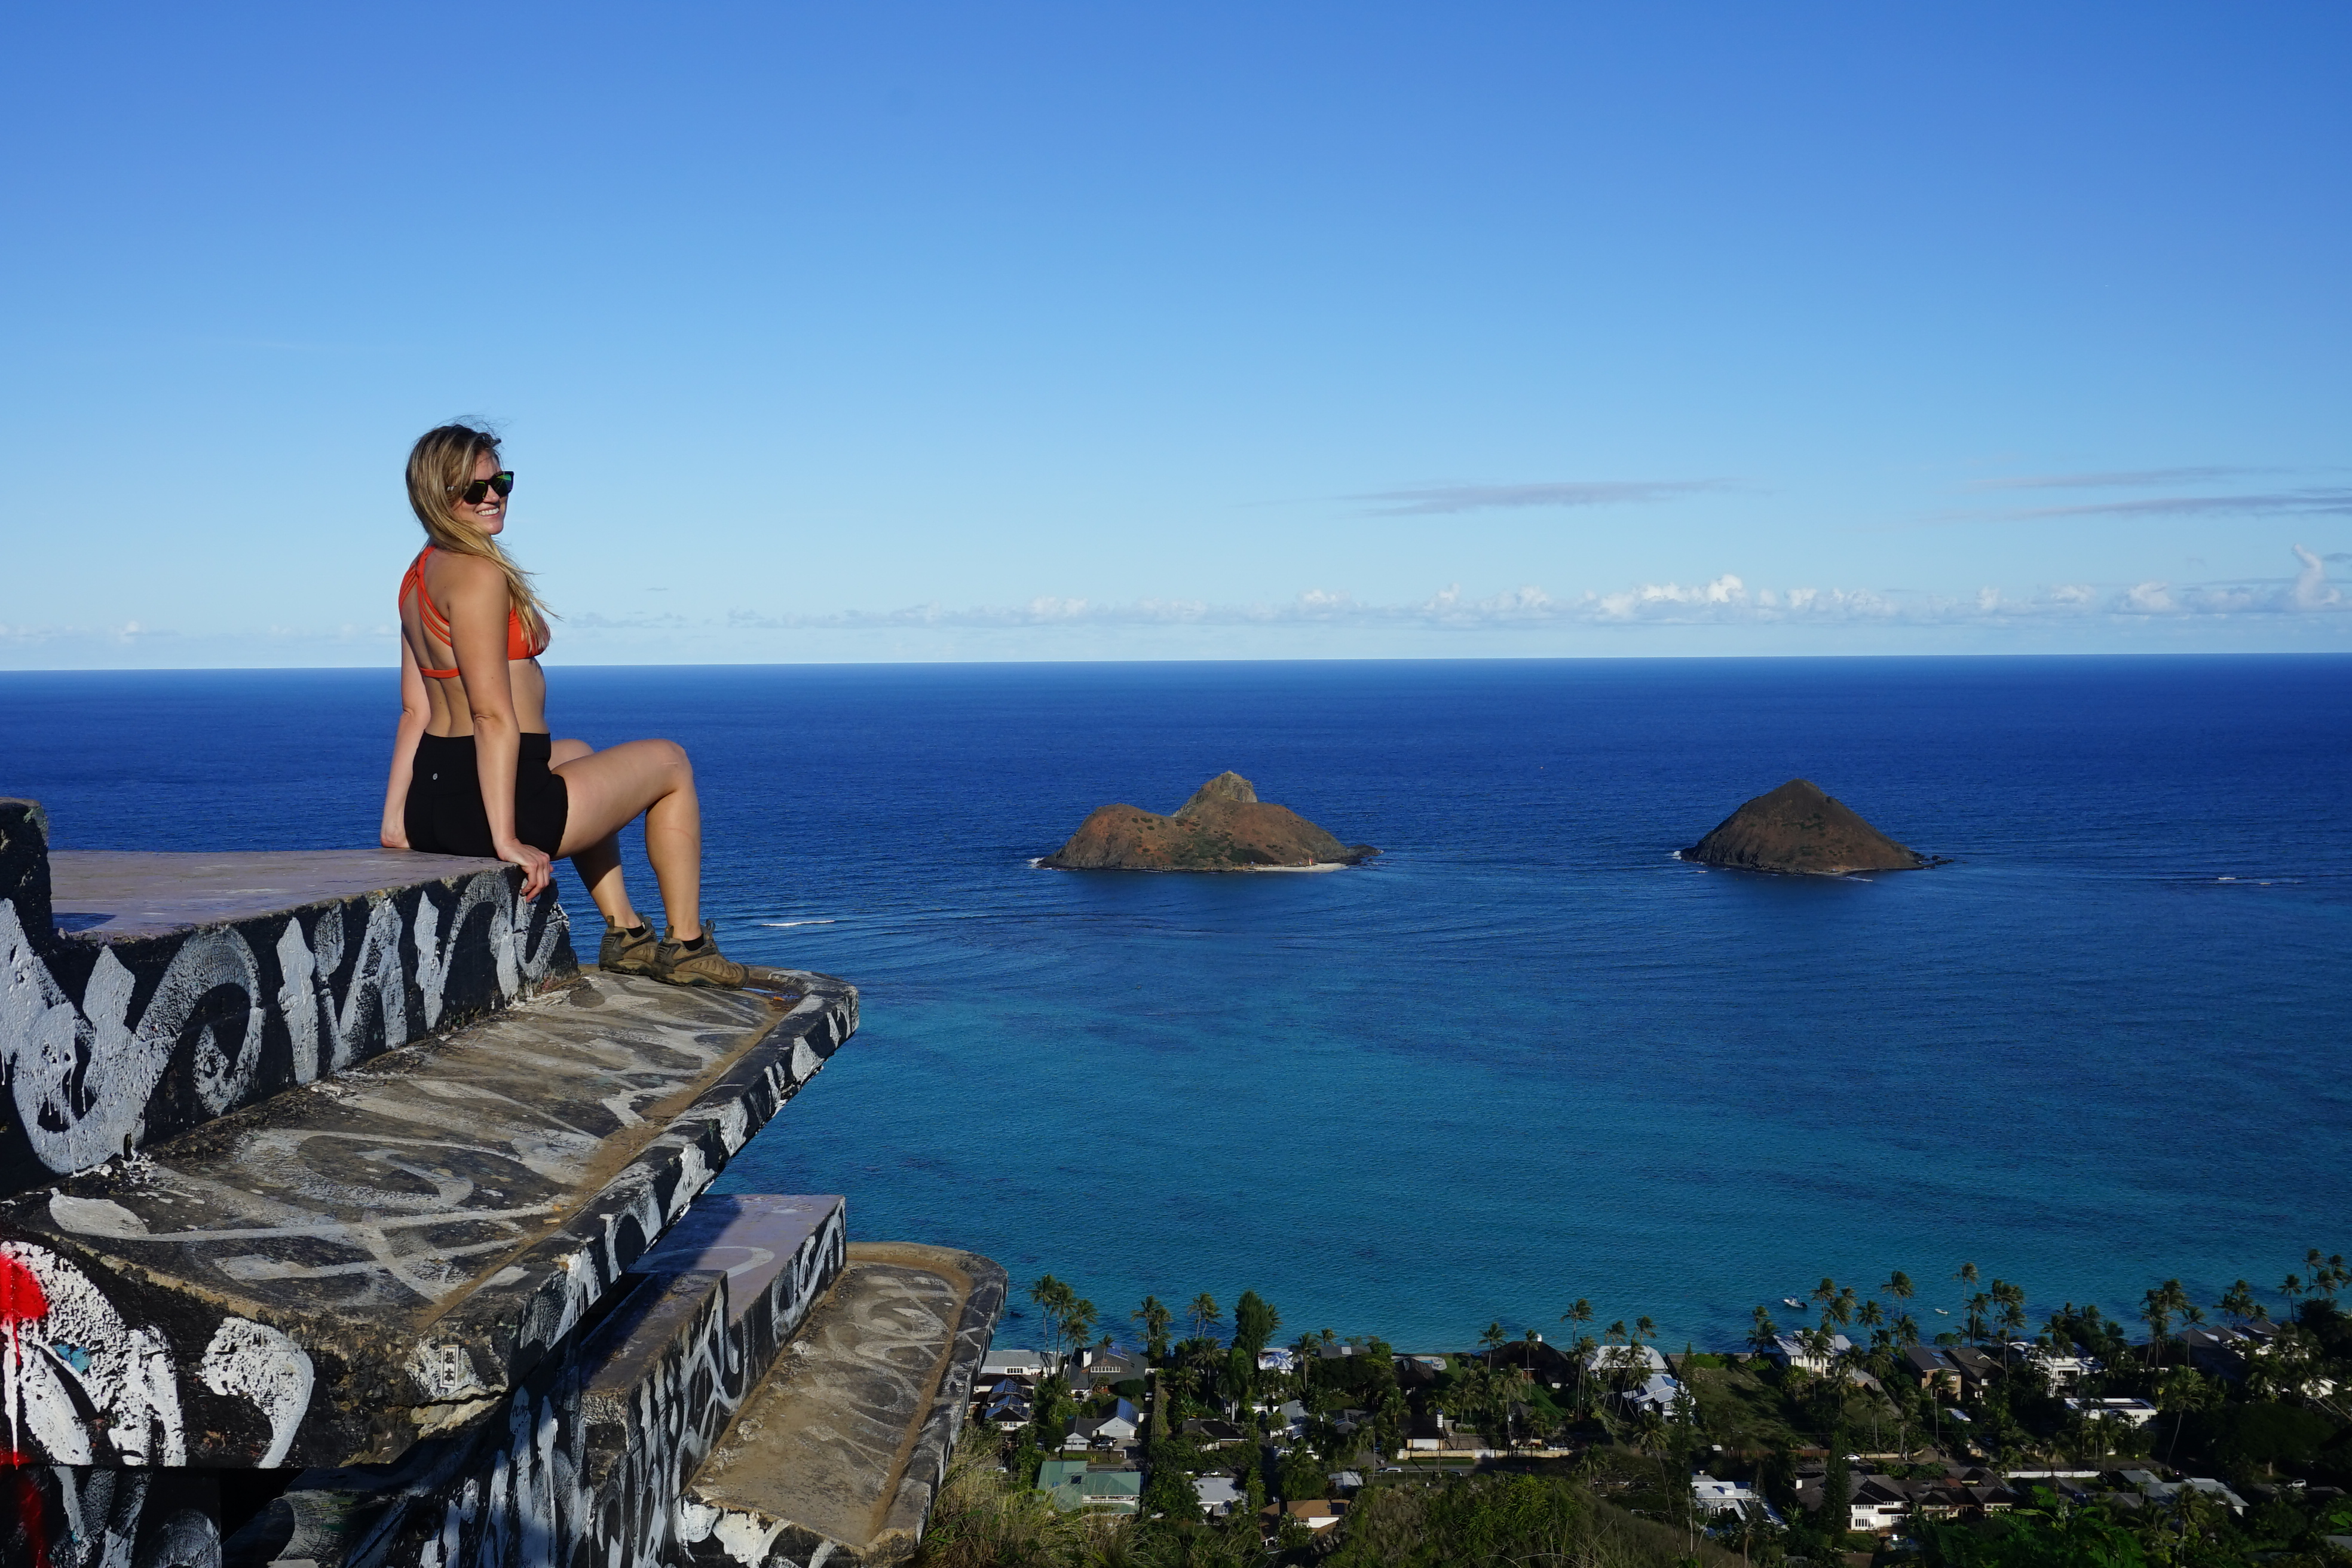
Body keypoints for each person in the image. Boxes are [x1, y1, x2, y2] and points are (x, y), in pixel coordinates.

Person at [378, 422, 748, 988]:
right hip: (491, 805)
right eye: (474, 488)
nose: (493, 495)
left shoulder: (418, 575)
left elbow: (416, 711)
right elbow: (491, 715)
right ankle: (689, 945)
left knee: (577, 752)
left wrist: (397, 822)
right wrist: (507, 840)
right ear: (438, 494)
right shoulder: (477, 573)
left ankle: (625, 932)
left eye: (500, 481)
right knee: (671, 763)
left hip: (437, 798)